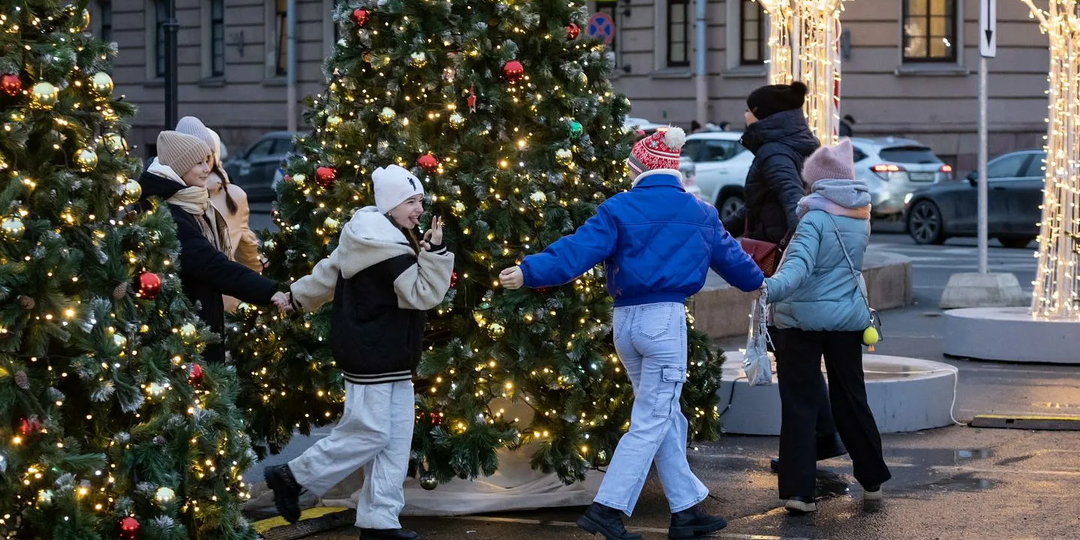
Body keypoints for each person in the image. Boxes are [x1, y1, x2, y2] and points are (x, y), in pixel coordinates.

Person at [500, 127, 763, 540]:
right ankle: (608, 509)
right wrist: (761, 282)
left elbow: (577, 250)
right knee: (653, 419)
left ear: (639, 168)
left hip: (626, 321)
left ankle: (686, 509)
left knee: (664, 417)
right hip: (665, 320)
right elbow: (738, 267)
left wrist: (529, 270)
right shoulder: (700, 212)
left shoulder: (618, 208)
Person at [263, 164, 454, 540]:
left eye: (420, 200)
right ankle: (291, 476)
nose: (419, 209)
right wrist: (436, 253)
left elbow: (329, 272)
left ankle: (380, 522)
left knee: (396, 438)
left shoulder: (371, 231)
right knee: (368, 433)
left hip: (391, 353)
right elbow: (423, 294)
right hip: (375, 352)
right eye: (411, 201)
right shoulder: (388, 248)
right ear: (389, 204)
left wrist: (297, 297)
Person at [721, 81, 848, 474]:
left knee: (794, 359)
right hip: (789, 260)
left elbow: (796, 205)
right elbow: (761, 206)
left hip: (782, 266)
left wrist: (798, 262)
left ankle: (819, 441)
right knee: (796, 355)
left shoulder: (774, 151)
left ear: (762, 115)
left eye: (749, 109)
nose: (744, 115)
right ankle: (824, 437)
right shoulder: (795, 143)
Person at [761, 139, 892, 513]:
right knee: (852, 398)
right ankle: (872, 479)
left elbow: (797, 270)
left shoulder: (813, 220)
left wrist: (767, 289)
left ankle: (801, 493)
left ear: (817, 181)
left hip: (802, 323)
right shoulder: (860, 217)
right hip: (846, 321)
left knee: (800, 404)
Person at [137, 131, 290, 364]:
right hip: (183, 337)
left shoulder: (189, 202)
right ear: (180, 168)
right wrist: (267, 291)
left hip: (195, 325)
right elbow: (211, 264)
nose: (207, 168)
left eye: (207, 160)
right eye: (198, 163)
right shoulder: (169, 213)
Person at [176, 116, 264, 312]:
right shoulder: (171, 198)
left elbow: (245, 249)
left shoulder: (232, 196)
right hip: (216, 300)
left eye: (204, 158)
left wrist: (261, 287)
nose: (203, 166)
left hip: (217, 302)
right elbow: (247, 253)